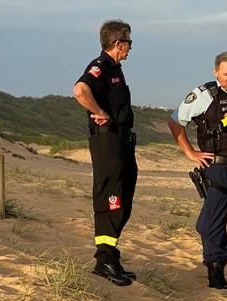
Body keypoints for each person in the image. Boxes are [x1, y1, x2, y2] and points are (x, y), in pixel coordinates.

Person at [168, 51, 227, 291]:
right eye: (226, 74)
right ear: (216, 72)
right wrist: (191, 153)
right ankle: (216, 267)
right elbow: (175, 121)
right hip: (216, 168)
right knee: (212, 222)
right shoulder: (204, 95)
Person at [73, 20, 137, 286]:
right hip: (107, 142)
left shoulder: (116, 69)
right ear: (117, 44)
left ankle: (111, 255)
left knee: (123, 196)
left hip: (121, 142)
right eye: (129, 43)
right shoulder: (99, 66)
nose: (131, 49)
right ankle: (104, 261)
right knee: (111, 198)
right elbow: (80, 90)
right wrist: (98, 112)